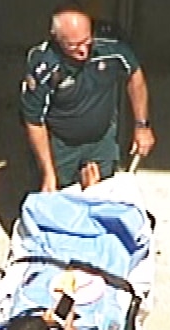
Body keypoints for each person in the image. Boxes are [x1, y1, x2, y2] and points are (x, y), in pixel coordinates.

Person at [20, 2, 156, 191]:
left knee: (102, 194)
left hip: (102, 141)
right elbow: (34, 121)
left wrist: (142, 126)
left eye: (87, 41)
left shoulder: (111, 45)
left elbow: (135, 75)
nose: (83, 51)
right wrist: (48, 173)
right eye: (73, 45)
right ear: (57, 38)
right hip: (61, 147)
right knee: (61, 199)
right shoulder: (44, 64)